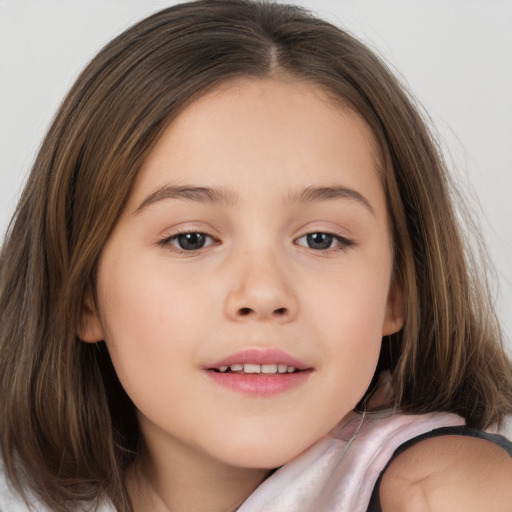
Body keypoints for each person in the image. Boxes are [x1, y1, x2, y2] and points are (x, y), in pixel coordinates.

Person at [1, 1, 511, 511]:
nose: (264, 293)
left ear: (398, 288)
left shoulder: (446, 492)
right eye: (191, 239)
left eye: (321, 239)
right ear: (83, 294)